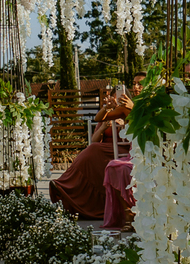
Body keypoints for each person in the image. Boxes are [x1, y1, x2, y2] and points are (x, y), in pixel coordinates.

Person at [48, 87, 134, 219]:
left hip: (122, 149)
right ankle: (65, 186)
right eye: (114, 97)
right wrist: (105, 119)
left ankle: (66, 185)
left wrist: (123, 124)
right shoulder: (110, 113)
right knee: (91, 152)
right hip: (102, 147)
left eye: (119, 97)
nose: (116, 100)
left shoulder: (127, 111)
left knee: (92, 152)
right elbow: (95, 138)